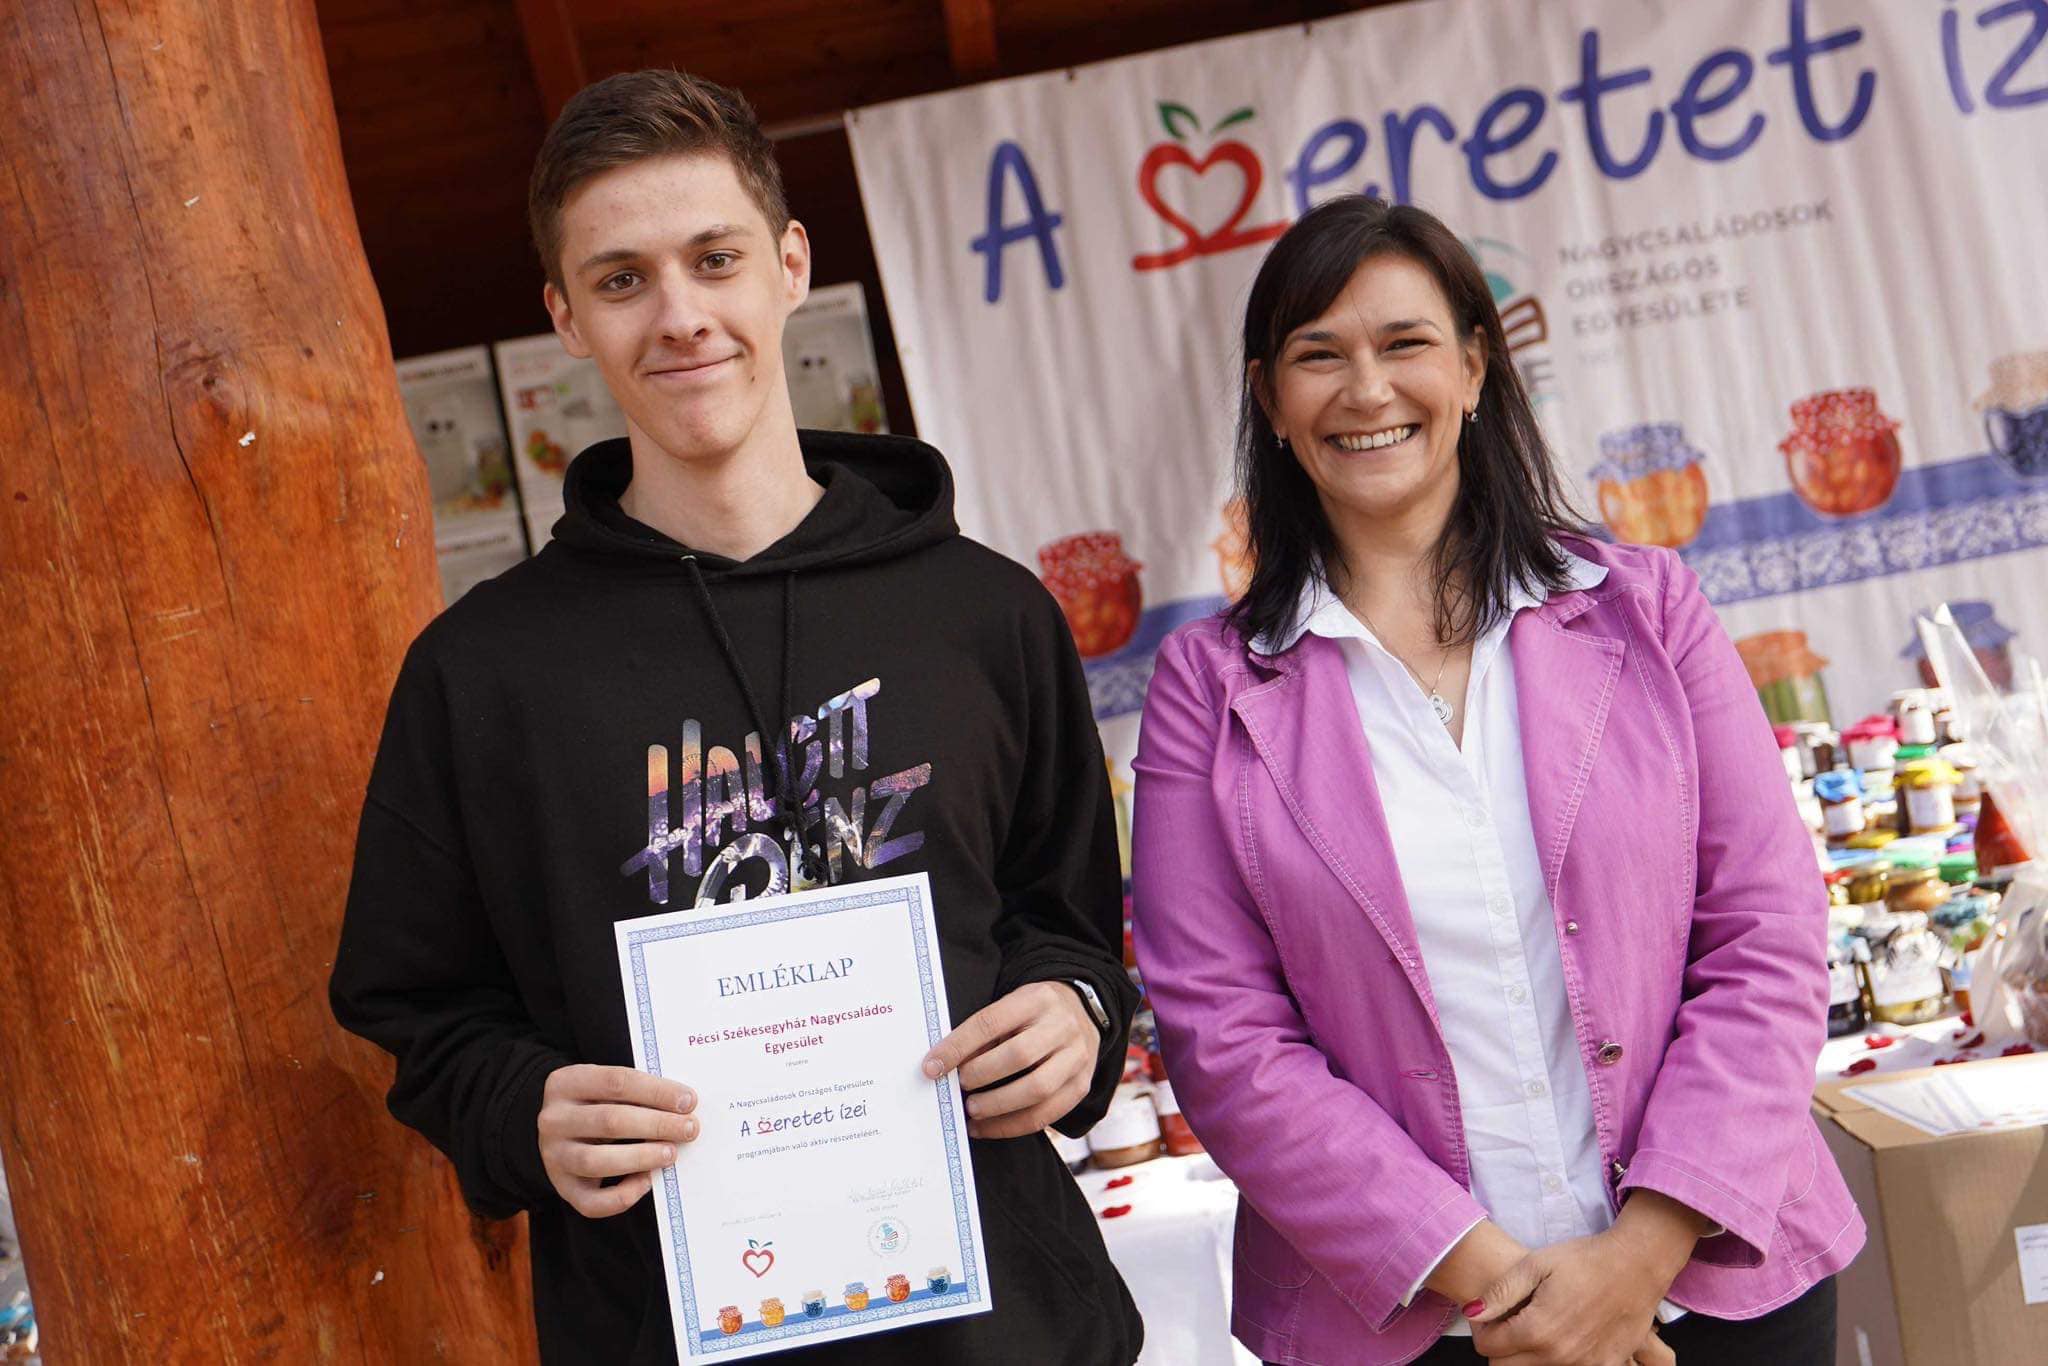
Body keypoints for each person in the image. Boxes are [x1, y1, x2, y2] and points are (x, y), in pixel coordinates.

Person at [329, 69, 1142, 1365]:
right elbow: (416, 1009)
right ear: (565, 317)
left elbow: (1074, 926)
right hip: (661, 1331)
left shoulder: (984, 614)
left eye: (714, 259)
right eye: (621, 280)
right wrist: (524, 1109)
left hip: (1009, 1331)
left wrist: (1075, 1013)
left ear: (789, 265)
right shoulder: (480, 674)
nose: (680, 316)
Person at [1129, 196, 1862, 1366]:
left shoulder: (1645, 610)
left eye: (1404, 343)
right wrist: (1518, 1293)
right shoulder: (1206, 688)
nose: (1366, 389)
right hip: (1418, 1324)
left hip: (1712, 1284)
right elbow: (1222, 1037)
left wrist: (1634, 1261)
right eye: (1318, 355)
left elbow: (1766, 932)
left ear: (1473, 368)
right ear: (1267, 399)